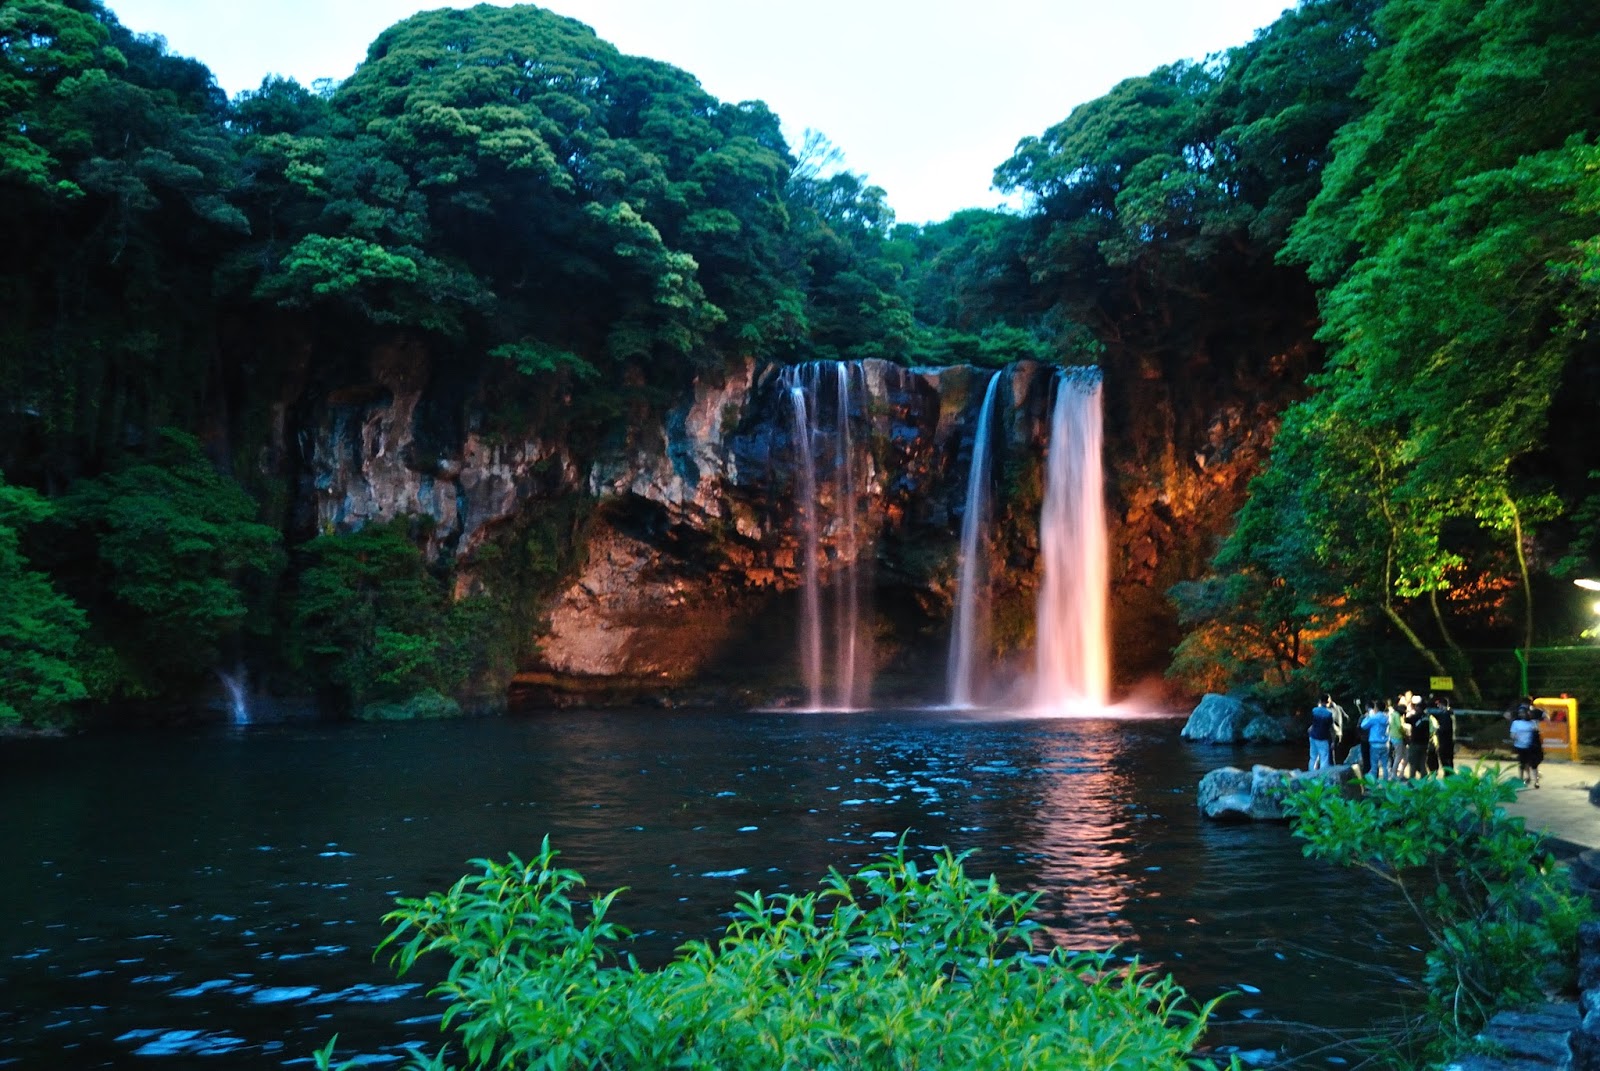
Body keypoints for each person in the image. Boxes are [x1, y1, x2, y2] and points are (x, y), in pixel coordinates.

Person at [1509, 702, 1541, 788]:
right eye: (1520, 713)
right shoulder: (1516, 723)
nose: (1521, 714)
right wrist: (1514, 737)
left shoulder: (1532, 723)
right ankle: (1523, 778)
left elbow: (1537, 733)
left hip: (1531, 747)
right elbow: (1512, 735)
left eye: (1523, 712)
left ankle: (1536, 781)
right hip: (1520, 746)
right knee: (1523, 763)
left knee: (1533, 764)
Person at [1360, 700, 1391, 779]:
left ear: (1376, 708)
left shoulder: (1374, 717)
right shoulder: (1386, 717)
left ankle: (1374, 786)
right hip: (1385, 744)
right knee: (1385, 766)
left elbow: (1363, 725)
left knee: (1374, 766)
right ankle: (1386, 784)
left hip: (1375, 744)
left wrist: (1368, 716)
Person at [1405, 699, 1436, 779]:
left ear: (1419, 708)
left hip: (1415, 743)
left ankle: (1412, 781)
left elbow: (1406, 720)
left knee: (1413, 763)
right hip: (1424, 743)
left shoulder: (1415, 717)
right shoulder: (1427, 718)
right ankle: (1424, 780)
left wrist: (1407, 712)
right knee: (1422, 763)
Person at [1308, 696, 1336, 771]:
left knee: (1313, 757)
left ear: (1320, 701)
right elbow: (1331, 729)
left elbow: (1313, 723)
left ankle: (1311, 774)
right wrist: (1333, 741)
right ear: (1328, 702)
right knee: (1324, 757)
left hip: (1312, 736)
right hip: (1322, 738)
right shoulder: (1329, 714)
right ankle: (1322, 775)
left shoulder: (1314, 710)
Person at [1431, 694, 1456, 771]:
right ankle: (1450, 774)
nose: (1438, 706)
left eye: (1439, 704)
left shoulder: (1445, 715)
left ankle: (1448, 775)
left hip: (1444, 741)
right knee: (1449, 759)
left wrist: (1437, 730)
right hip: (1450, 740)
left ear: (1442, 704)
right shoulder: (1450, 713)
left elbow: (1444, 729)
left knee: (1444, 759)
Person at [1386, 698, 1409, 779]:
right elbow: (1399, 726)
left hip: (1393, 737)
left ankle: (1400, 774)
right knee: (1399, 756)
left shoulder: (1392, 714)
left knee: (1405, 756)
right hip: (1398, 737)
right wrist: (1405, 733)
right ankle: (1394, 774)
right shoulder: (1397, 715)